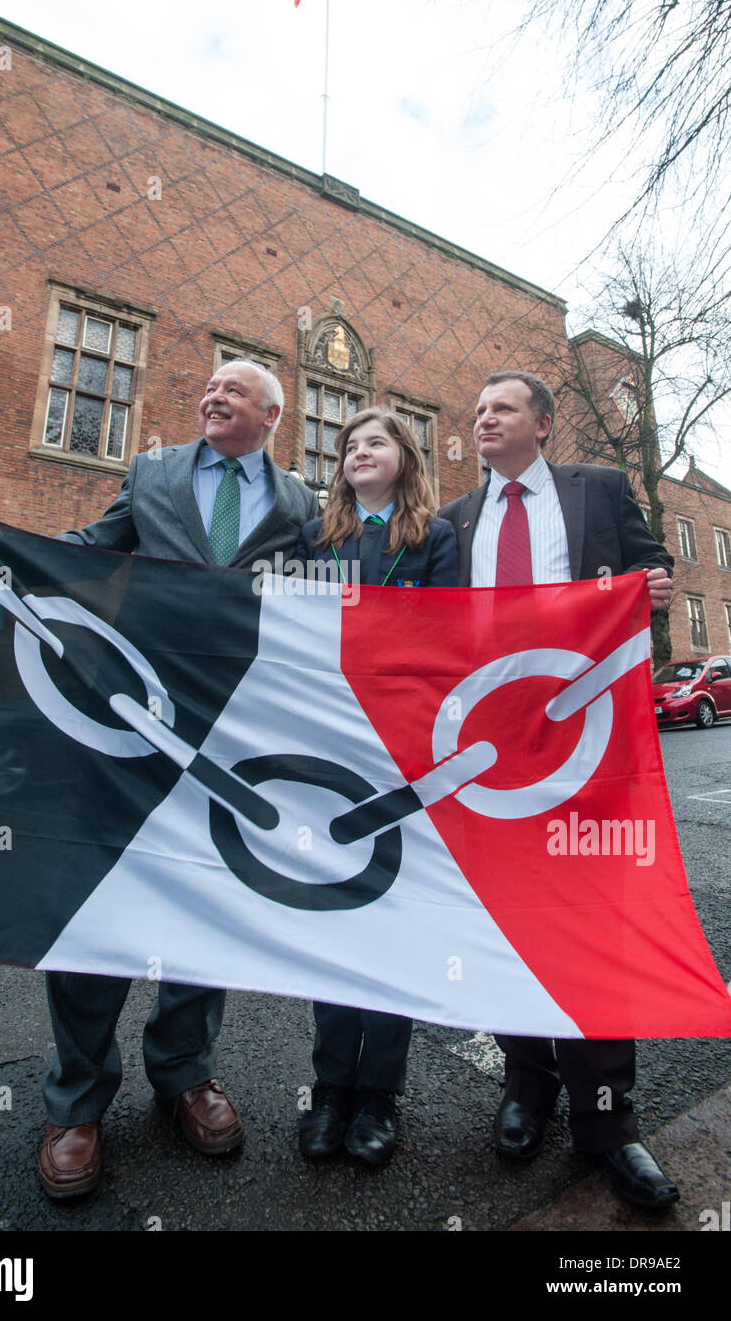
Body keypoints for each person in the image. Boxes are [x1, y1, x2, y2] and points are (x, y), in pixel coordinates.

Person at [0, 359, 319, 1198]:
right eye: (207, 388)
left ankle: (185, 1075)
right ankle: (75, 1104)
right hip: (125, 729)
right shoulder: (154, 472)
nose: (210, 395)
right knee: (95, 905)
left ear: (270, 413)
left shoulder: (299, 503)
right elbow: (93, 546)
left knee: (206, 907)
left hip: (228, 733)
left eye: (231, 389)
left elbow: (322, 598)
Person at [439, 370, 679, 1211]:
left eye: (499, 408)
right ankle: (526, 1088)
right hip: (492, 760)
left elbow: (654, 568)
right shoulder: (454, 520)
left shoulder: (601, 490)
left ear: (542, 424)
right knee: (510, 928)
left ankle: (608, 1123)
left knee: (594, 930)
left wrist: (652, 586)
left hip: (590, 750)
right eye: (475, 412)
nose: (482, 420)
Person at [294, 408, 458, 1166]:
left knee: (393, 921)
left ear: (404, 456)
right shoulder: (316, 537)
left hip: (405, 751)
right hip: (328, 752)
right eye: (348, 444)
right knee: (336, 918)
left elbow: (456, 639)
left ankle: (378, 1095)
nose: (358, 451)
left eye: (375, 441)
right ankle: (330, 1089)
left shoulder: (435, 538)